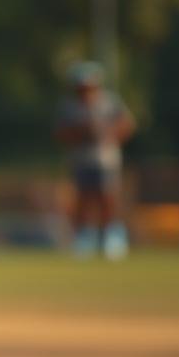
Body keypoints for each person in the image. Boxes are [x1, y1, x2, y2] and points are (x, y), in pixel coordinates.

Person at [54, 60, 136, 259]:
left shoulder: (110, 102)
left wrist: (109, 135)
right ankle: (85, 237)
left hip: (105, 159)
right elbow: (60, 132)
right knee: (83, 198)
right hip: (81, 159)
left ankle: (112, 236)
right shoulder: (70, 106)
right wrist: (80, 132)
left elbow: (127, 124)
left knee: (107, 197)